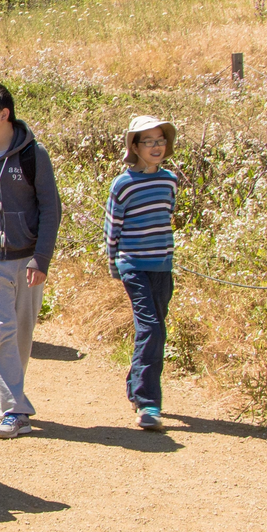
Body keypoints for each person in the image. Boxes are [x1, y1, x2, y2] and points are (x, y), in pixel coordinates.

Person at [0, 84, 60, 440]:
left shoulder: (34, 155)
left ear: (4, 115)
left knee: (22, 335)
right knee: (2, 331)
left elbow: (51, 209)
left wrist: (42, 258)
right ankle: (16, 410)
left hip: (29, 260)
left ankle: (4, 392)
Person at [106, 116, 179, 431]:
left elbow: (167, 215)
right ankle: (149, 404)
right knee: (151, 328)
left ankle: (136, 385)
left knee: (156, 329)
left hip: (162, 267)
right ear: (134, 146)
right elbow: (113, 229)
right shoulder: (123, 184)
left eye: (160, 140)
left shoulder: (169, 180)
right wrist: (114, 264)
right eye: (148, 141)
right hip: (133, 265)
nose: (156, 146)